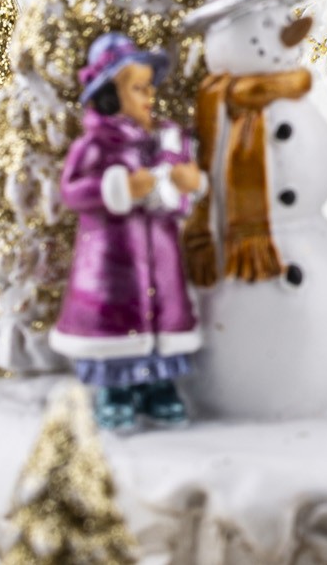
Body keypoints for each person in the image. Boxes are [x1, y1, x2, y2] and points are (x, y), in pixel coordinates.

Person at [50, 32, 207, 431]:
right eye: (138, 88)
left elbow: (180, 188)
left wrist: (186, 182)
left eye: (149, 87)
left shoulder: (163, 140)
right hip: (111, 260)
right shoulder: (95, 146)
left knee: (162, 318)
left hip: (160, 253)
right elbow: (72, 190)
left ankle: (158, 386)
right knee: (116, 323)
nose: (149, 96)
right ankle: (116, 391)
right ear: (109, 96)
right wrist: (116, 187)